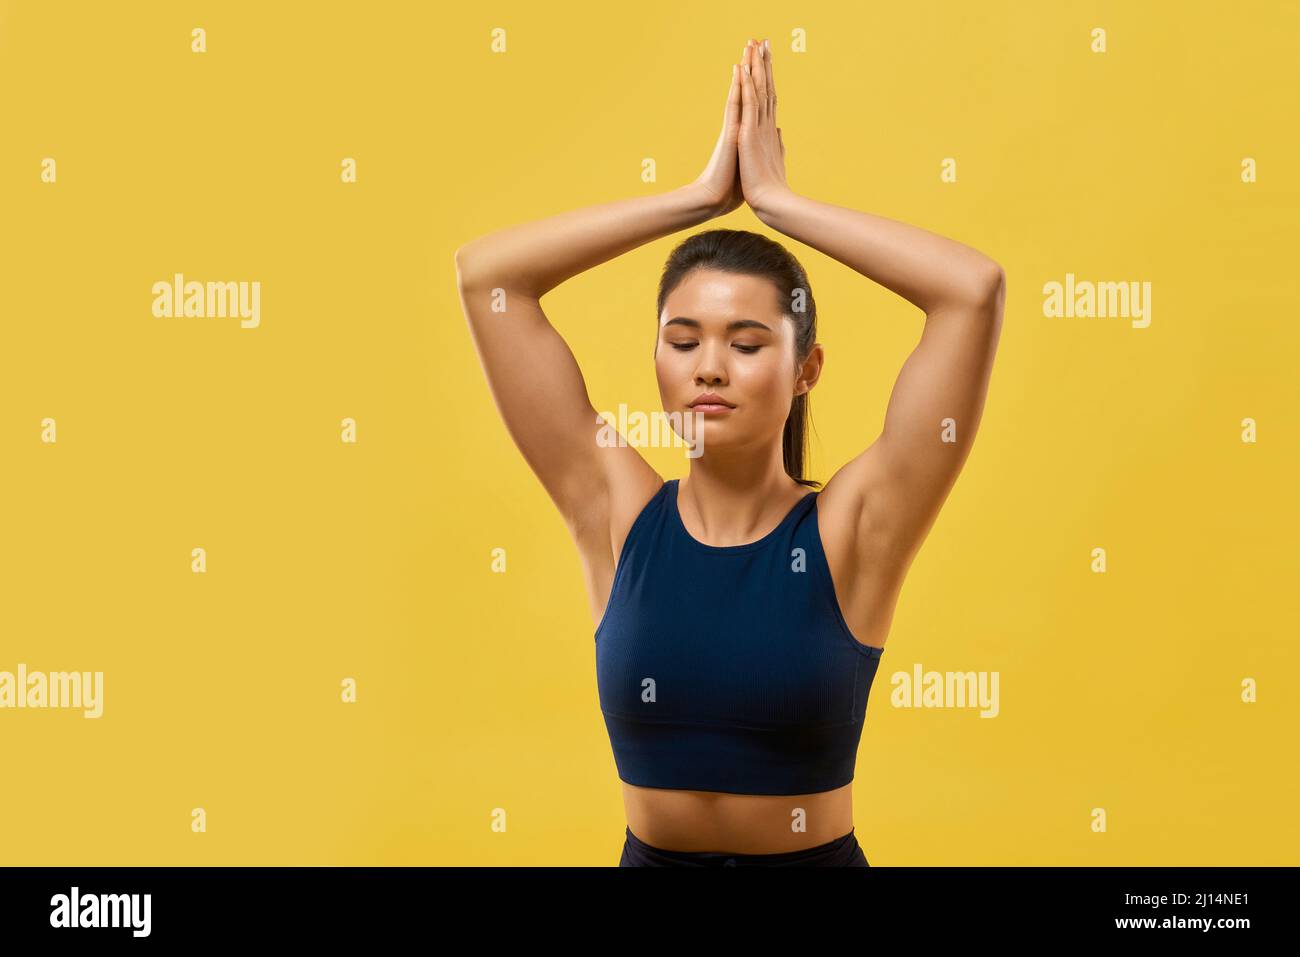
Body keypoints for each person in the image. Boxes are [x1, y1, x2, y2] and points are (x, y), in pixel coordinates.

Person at [455, 38, 1005, 866]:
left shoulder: (856, 525)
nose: (709, 364)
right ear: (658, 361)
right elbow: (487, 277)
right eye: (684, 340)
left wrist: (779, 204)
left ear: (806, 368)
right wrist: (700, 199)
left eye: (748, 343)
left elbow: (972, 292)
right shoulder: (617, 507)